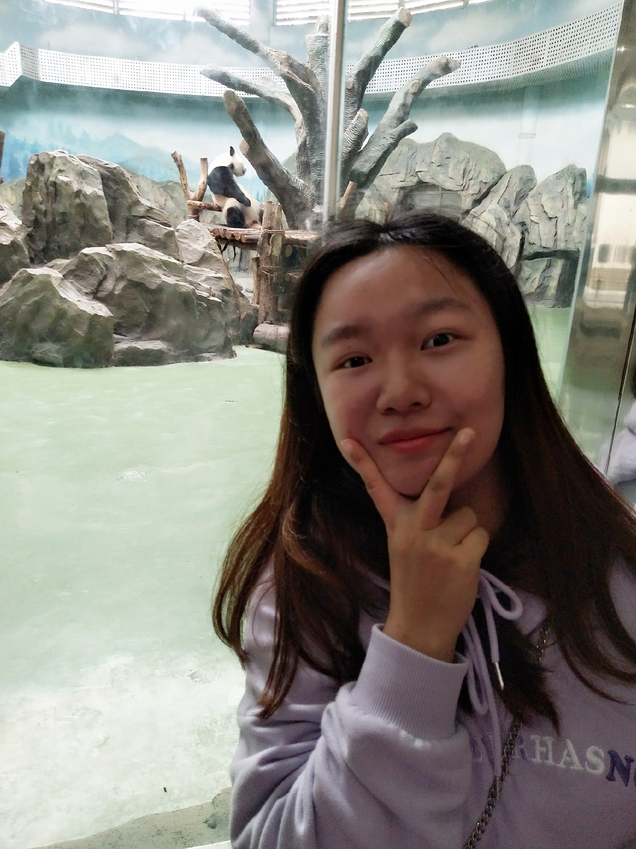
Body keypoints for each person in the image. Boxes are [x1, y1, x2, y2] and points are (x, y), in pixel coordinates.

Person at [213, 211, 636, 849]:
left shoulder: (616, 560)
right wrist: (413, 646)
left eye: (439, 340)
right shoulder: (303, 582)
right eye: (354, 358)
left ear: (510, 354)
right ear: (316, 395)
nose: (401, 392)